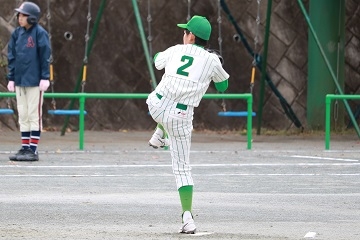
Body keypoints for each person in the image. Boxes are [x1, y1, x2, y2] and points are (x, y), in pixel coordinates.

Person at [146, 15, 229, 234]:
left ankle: (158, 134)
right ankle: (187, 218)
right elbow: (223, 87)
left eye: (185, 32)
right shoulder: (212, 60)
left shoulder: (174, 50)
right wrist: (213, 66)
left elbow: (156, 61)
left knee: (164, 114)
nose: (183, 34)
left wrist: (159, 54)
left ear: (191, 36)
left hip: (155, 105)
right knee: (182, 168)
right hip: (180, 117)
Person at [7, 1, 51, 161]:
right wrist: (11, 77)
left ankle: (33, 149)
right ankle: (25, 147)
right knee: (23, 115)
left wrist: (45, 77)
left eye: (23, 15)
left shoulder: (40, 33)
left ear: (31, 17)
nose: (20, 17)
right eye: (19, 14)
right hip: (20, 80)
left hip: (34, 81)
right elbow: (11, 56)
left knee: (34, 115)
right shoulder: (17, 33)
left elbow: (45, 56)